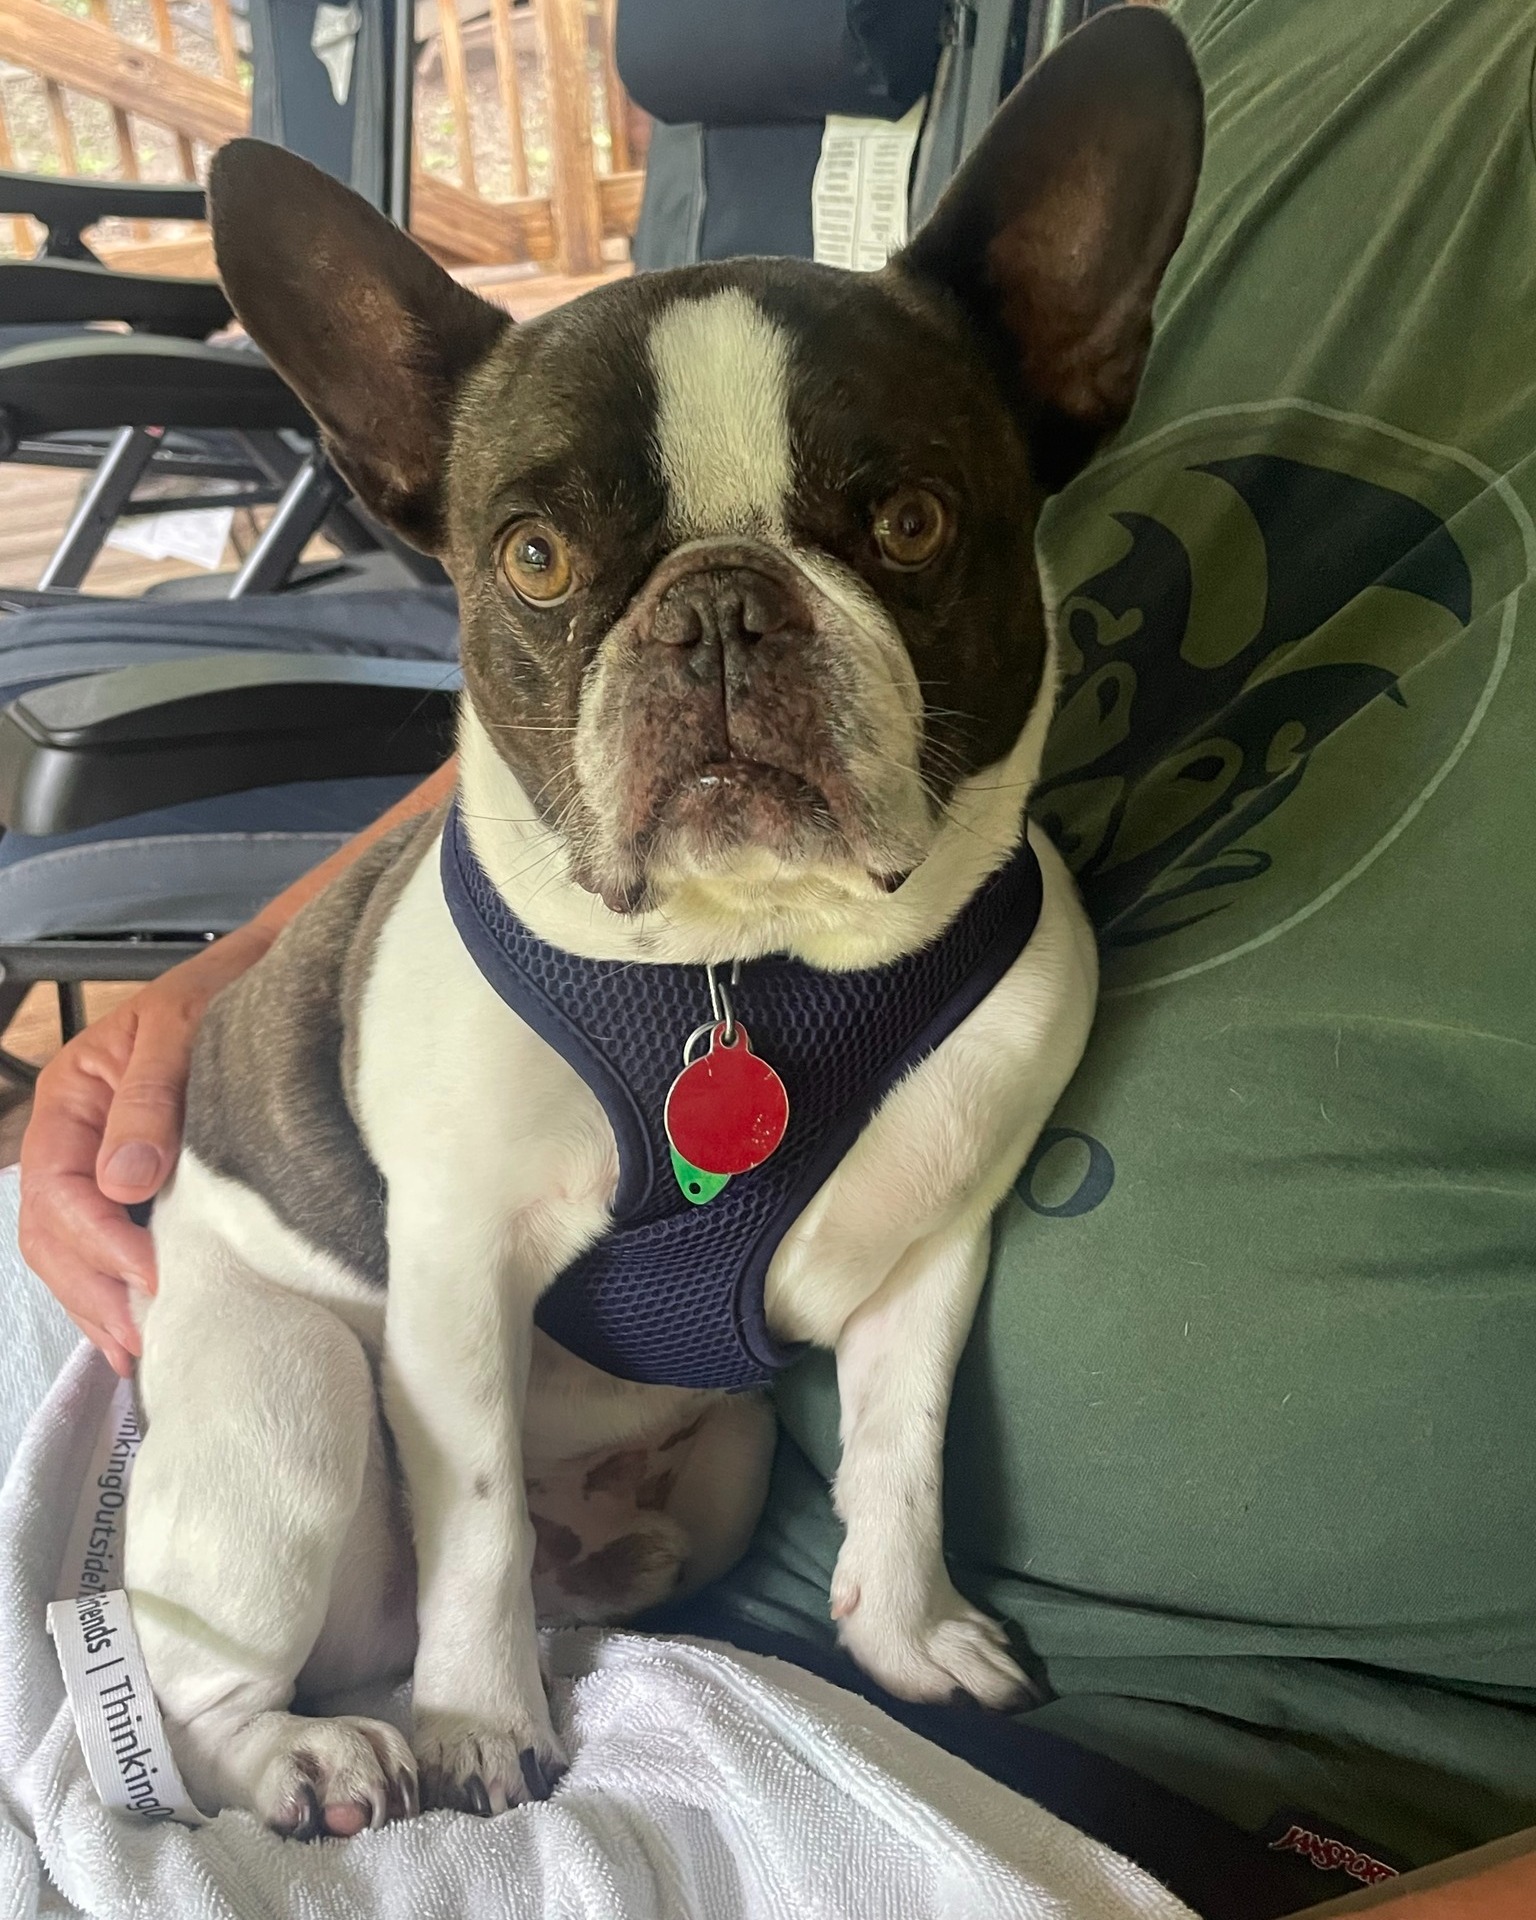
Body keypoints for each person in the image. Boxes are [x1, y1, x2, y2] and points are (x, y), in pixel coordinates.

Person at [15, 0, 1536, 1911]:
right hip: (325, 1311)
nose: (724, 660)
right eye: (564, 566)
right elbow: (526, 782)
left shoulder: (1003, 963)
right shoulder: (1293, 47)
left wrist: (889, 1573)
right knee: (263, 1419)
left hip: (930, 1647)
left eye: (894, 524)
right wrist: (233, 967)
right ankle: (221, 1704)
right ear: (402, 464)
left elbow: (930, 1223)